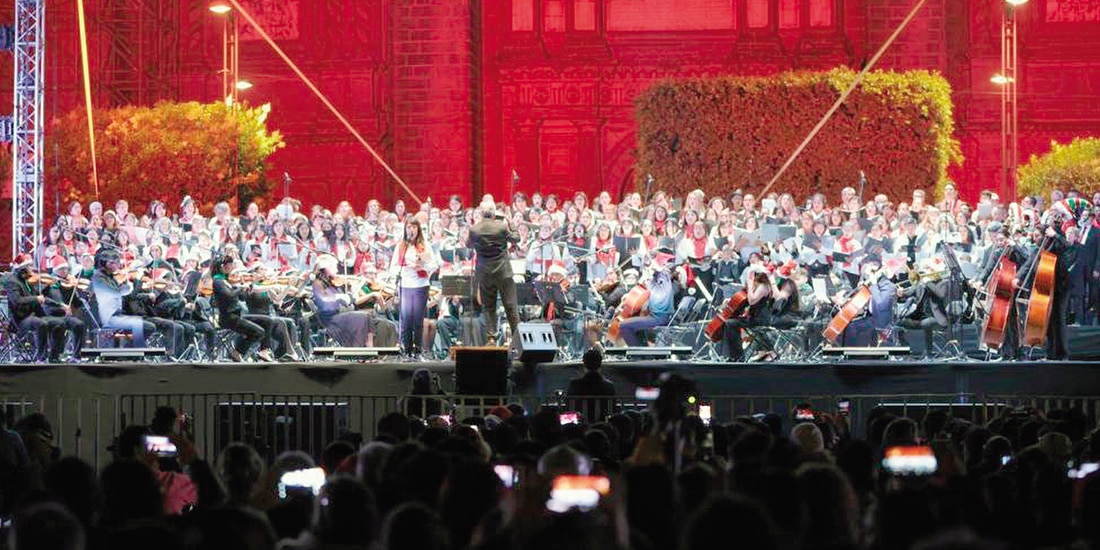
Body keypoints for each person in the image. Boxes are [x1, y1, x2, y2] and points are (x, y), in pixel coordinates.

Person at [3, 255, 79, 363]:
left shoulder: (27, 281)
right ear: (22, 268)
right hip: (21, 319)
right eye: (29, 266)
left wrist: (60, 305)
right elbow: (17, 300)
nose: (32, 269)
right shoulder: (12, 281)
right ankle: (41, 358)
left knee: (60, 323)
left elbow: (42, 298)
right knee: (40, 323)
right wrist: (35, 298)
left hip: (35, 315)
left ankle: (54, 356)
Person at [467, 202, 521, 347]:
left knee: (488, 307)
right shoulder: (502, 226)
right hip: (503, 272)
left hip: (485, 273)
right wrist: (511, 223)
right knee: (510, 306)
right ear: (493, 213)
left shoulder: (474, 229)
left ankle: (491, 338)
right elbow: (516, 238)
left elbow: (468, 245)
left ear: (481, 213)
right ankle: (517, 340)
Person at [389, 218, 439, 357]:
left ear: (418, 229)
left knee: (418, 320)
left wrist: (421, 265)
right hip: (405, 285)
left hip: (420, 285)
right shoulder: (401, 246)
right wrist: (405, 268)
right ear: (405, 229)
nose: (411, 230)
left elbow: (434, 265)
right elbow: (392, 268)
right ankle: (407, 349)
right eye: (409, 227)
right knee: (406, 319)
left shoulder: (425, 245)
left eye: (414, 227)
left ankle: (418, 350)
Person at [209, 255, 273, 362]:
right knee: (259, 332)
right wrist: (240, 288)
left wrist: (249, 285)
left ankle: (264, 350)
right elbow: (229, 295)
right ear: (222, 266)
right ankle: (237, 352)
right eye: (230, 264)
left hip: (237, 315)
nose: (232, 266)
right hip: (228, 318)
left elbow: (241, 297)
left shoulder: (226, 280)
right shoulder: (218, 281)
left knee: (267, 321)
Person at [617, 261, 676, 347]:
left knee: (624, 325)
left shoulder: (665, 281)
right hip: (656, 316)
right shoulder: (658, 284)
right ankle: (644, 350)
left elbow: (660, 273)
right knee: (634, 323)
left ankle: (637, 353)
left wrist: (654, 267)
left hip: (658, 319)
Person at [721, 269, 772, 361]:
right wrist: (730, 300)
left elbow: (752, 301)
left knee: (731, 324)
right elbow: (745, 298)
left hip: (760, 318)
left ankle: (738, 356)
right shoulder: (757, 286)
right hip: (753, 317)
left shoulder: (763, 286)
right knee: (730, 323)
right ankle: (734, 355)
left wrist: (750, 284)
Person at [567, 348, 616, 420]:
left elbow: (568, 408)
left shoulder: (574, 384)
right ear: (600, 364)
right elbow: (612, 409)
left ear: (584, 364)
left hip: (580, 426)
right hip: (603, 424)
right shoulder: (609, 386)